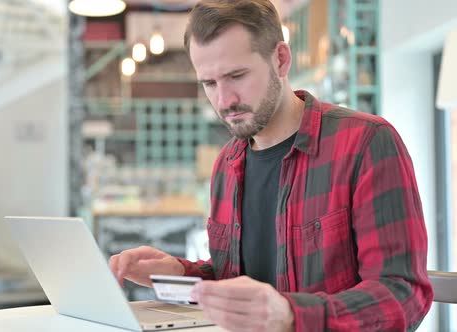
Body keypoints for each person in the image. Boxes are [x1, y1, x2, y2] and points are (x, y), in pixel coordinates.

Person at [109, 0, 433, 330]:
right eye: (209, 83)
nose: (224, 101)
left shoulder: (366, 143)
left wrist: (292, 315)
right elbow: (240, 278)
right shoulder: (227, 164)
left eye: (236, 76)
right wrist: (178, 274)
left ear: (280, 59)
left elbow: (403, 296)